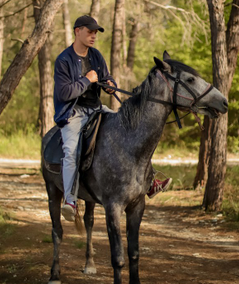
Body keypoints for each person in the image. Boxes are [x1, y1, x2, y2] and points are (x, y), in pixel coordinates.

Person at [53, 15, 172, 222]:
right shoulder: (64, 60)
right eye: (89, 32)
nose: (93, 36)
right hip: (73, 113)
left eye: (95, 33)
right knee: (70, 151)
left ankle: (150, 182)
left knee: (130, 133)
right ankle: (70, 200)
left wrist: (109, 84)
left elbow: (106, 76)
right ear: (77, 31)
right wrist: (86, 80)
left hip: (97, 109)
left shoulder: (96, 56)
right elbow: (64, 94)